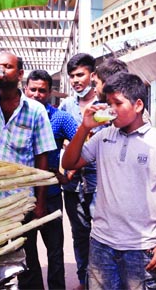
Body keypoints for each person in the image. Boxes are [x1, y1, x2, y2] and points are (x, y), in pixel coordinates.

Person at [62, 72, 156, 289]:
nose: (112, 109)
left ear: (138, 105)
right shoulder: (102, 136)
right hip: (101, 244)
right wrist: (84, 128)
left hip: (142, 248)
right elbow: (69, 163)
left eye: (118, 103)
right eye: (109, 104)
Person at [0, 52, 56, 290]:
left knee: (26, 262)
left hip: (20, 201)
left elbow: (42, 156)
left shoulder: (35, 110)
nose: (2, 70)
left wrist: (40, 202)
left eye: (8, 66)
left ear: (20, 74)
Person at [24, 69, 79, 290]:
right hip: (20, 199)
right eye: (33, 90)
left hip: (52, 198)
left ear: (50, 93)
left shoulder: (60, 118)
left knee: (55, 252)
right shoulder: (17, 117)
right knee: (27, 255)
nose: (37, 94)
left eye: (42, 91)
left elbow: (83, 144)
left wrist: (68, 174)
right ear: (25, 90)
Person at [58, 52, 102, 288]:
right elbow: (58, 140)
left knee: (104, 234)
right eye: (72, 76)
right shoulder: (65, 106)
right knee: (80, 235)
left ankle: (103, 280)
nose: (75, 80)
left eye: (80, 75)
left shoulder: (105, 104)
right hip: (73, 185)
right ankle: (84, 280)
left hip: (101, 184)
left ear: (92, 75)